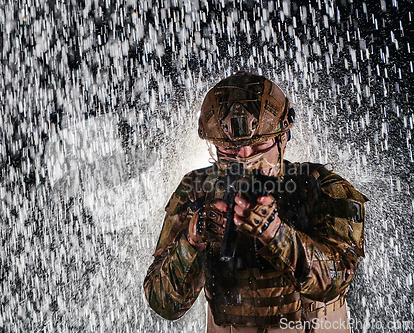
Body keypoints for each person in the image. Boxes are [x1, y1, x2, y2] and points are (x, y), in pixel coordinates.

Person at [143, 72, 368, 333]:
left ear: (283, 138)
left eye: (259, 147)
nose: (245, 159)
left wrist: (276, 234)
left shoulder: (323, 188)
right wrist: (191, 242)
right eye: (229, 151)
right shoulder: (197, 190)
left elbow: (335, 279)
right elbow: (163, 303)